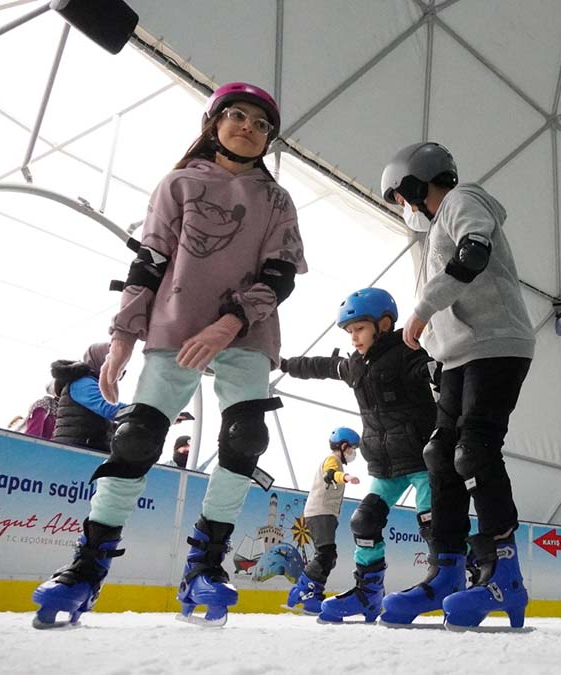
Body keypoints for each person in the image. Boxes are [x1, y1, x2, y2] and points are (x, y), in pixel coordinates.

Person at [32, 82, 306, 629]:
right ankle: (86, 567)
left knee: (245, 436)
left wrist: (230, 322)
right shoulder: (178, 183)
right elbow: (150, 261)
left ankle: (205, 564)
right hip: (176, 322)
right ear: (214, 123)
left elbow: (280, 275)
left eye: (261, 124)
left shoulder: (277, 200)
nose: (249, 127)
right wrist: (122, 338)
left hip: (247, 331)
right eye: (237, 116)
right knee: (136, 436)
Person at [378, 141, 535, 631]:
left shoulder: (462, 200)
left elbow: (475, 252)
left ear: (413, 184)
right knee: (440, 457)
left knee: (475, 451)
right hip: (457, 357)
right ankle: (446, 572)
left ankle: (504, 574)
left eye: (400, 198)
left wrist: (422, 309)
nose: (405, 209)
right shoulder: (434, 234)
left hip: (496, 344)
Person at [280, 287, 436, 624]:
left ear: (384, 324)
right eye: (349, 332)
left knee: (433, 522)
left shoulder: (407, 352)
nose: (353, 338)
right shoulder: (355, 366)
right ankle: (368, 592)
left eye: (360, 329)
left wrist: (439, 373)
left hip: (422, 460)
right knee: (364, 521)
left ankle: (449, 579)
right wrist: (285, 364)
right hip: (385, 466)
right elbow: (321, 365)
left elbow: (431, 372)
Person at [284, 427, 360, 616]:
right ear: (343, 446)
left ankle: (308, 592)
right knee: (326, 555)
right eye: (352, 448)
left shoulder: (337, 462)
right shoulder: (332, 460)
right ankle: (303, 592)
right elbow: (330, 474)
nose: (353, 452)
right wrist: (346, 477)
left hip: (325, 513)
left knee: (328, 556)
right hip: (320, 512)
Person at [49, 343, 125, 453]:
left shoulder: (94, 384)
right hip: (76, 450)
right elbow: (107, 408)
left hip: (84, 448)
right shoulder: (83, 383)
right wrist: (141, 411)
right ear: (102, 361)